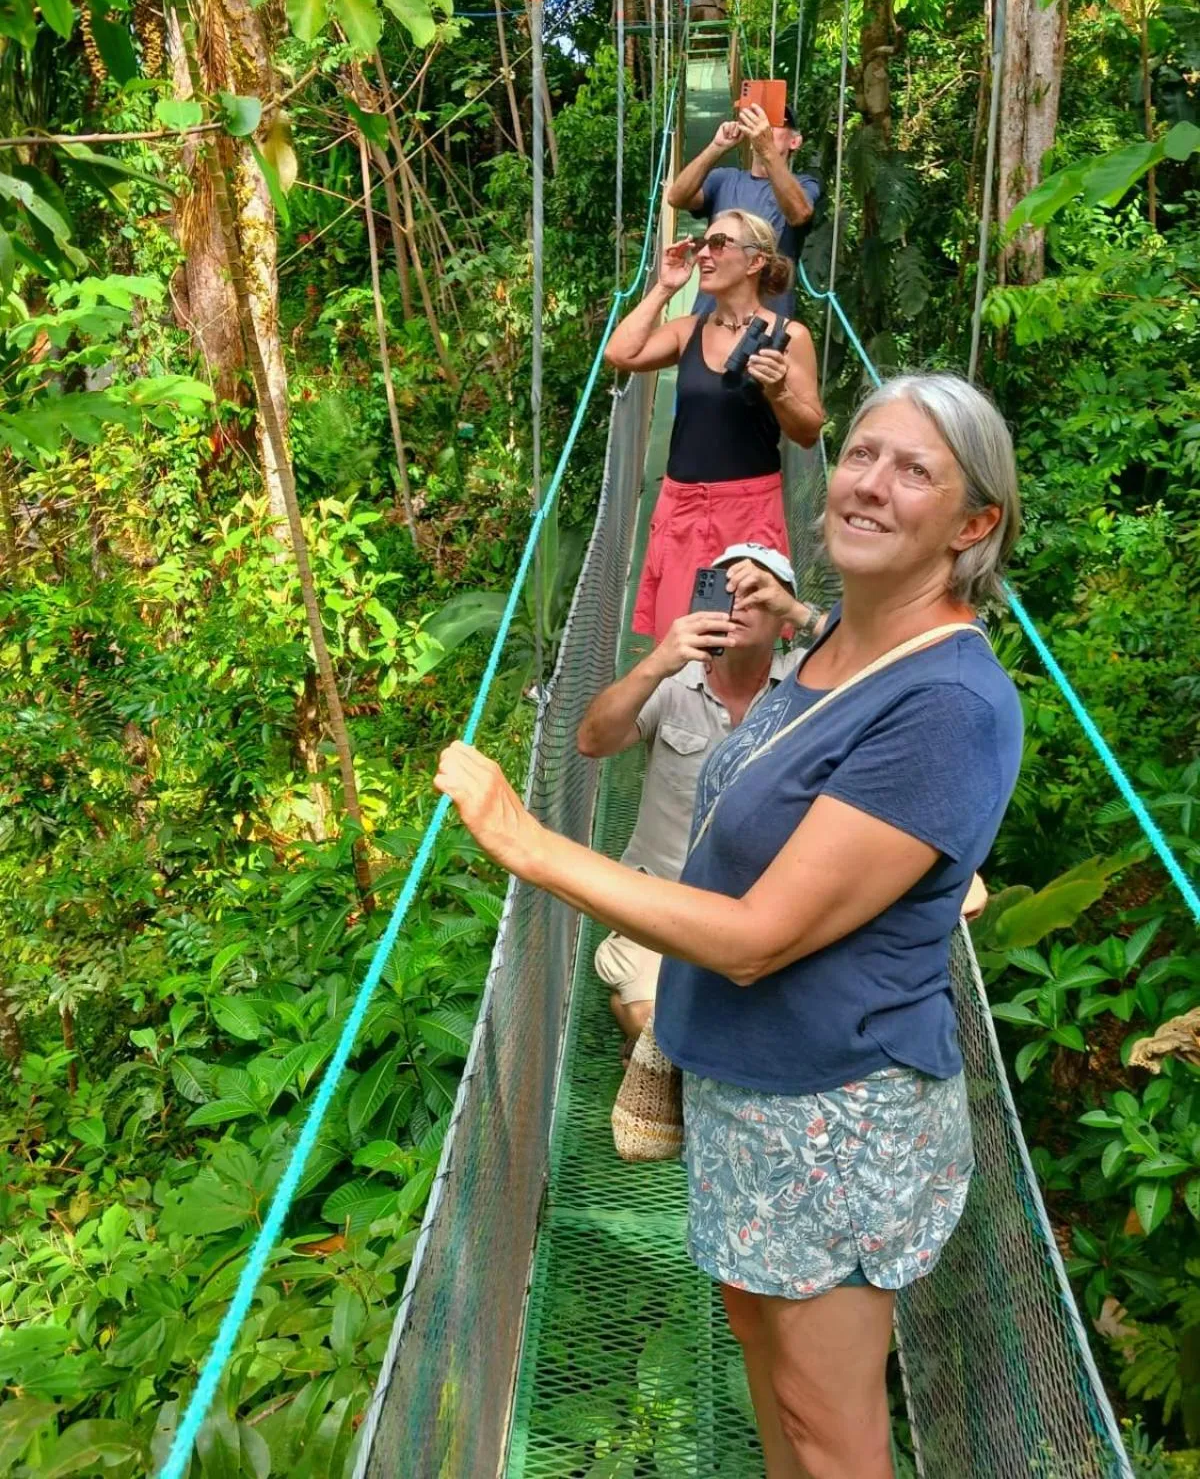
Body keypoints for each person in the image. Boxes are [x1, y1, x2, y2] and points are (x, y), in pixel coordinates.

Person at [435, 372, 1023, 1479]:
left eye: (915, 470)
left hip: (837, 1114)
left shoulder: (947, 702)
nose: (868, 482)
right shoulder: (830, 647)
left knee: (830, 1428)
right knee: (771, 1385)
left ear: (973, 523)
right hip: (747, 1091)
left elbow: (759, 933)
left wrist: (529, 842)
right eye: (859, 453)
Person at [578, 544, 823, 1051]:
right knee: (653, 1019)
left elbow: (886, 660)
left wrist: (801, 614)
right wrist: (656, 663)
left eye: (757, 592)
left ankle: (658, 1040)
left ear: (782, 619)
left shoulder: (812, 679)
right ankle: (652, 1032)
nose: (738, 602)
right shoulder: (673, 679)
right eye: (725, 588)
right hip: (666, 899)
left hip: (764, 905)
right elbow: (592, 741)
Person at [604, 210, 824, 643]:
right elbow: (620, 354)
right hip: (681, 509)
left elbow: (809, 431)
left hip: (748, 511)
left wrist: (778, 391)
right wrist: (665, 287)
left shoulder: (790, 336)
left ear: (755, 260)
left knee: (741, 644)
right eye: (704, 243)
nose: (704, 253)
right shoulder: (689, 330)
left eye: (718, 244)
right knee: (676, 644)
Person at [666, 101, 821, 321]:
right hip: (710, 317)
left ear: (794, 141)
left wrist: (767, 150)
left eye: (774, 123)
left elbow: (799, 213)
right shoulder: (725, 179)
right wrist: (716, 147)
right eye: (758, 121)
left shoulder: (804, 185)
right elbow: (676, 197)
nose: (763, 127)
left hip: (766, 323)